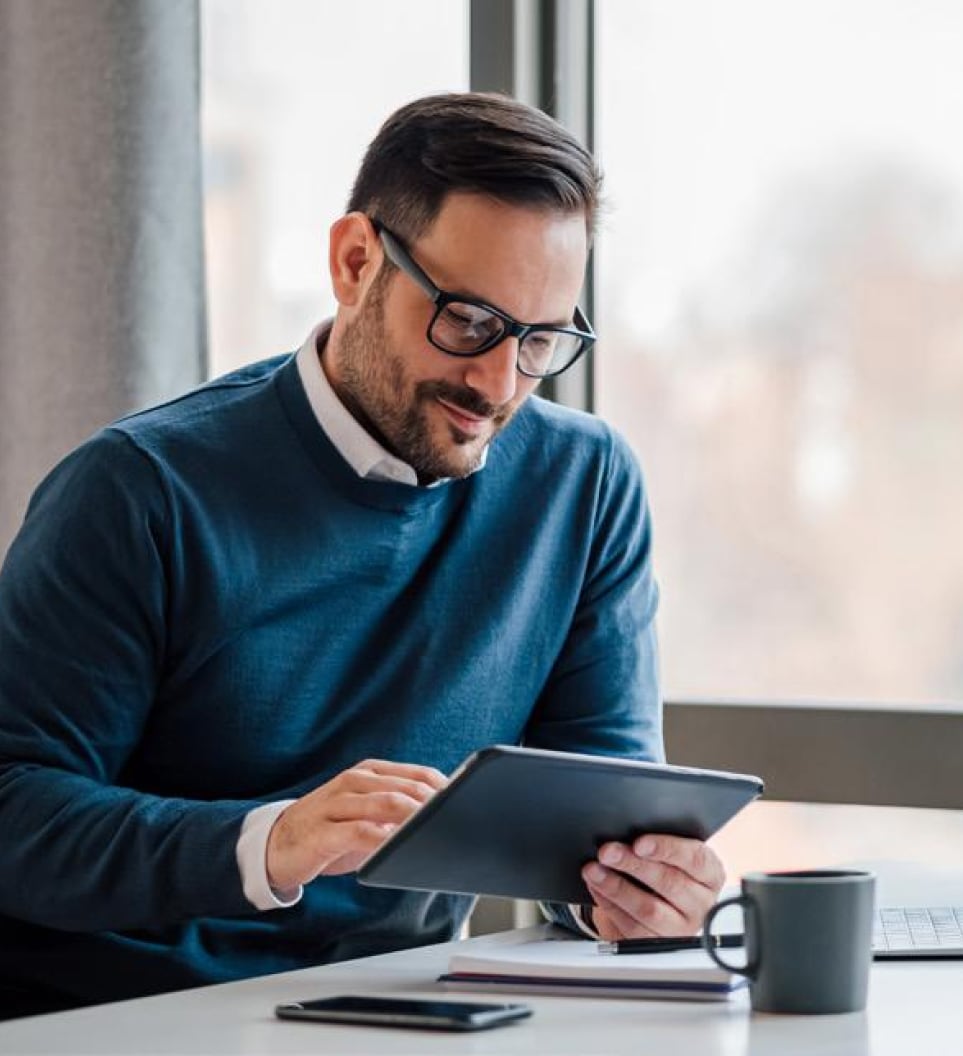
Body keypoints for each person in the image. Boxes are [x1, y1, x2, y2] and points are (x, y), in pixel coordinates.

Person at [0, 92, 725, 1019]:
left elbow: (598, 819)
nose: (499, 385)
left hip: (401, 1012)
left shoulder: (585, 488)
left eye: (540, 340)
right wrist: (269, 842)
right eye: (468, 322)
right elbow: (15, 813)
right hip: (122, 1017)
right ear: (354, 263)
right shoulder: (139, 491)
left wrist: (638, 889)